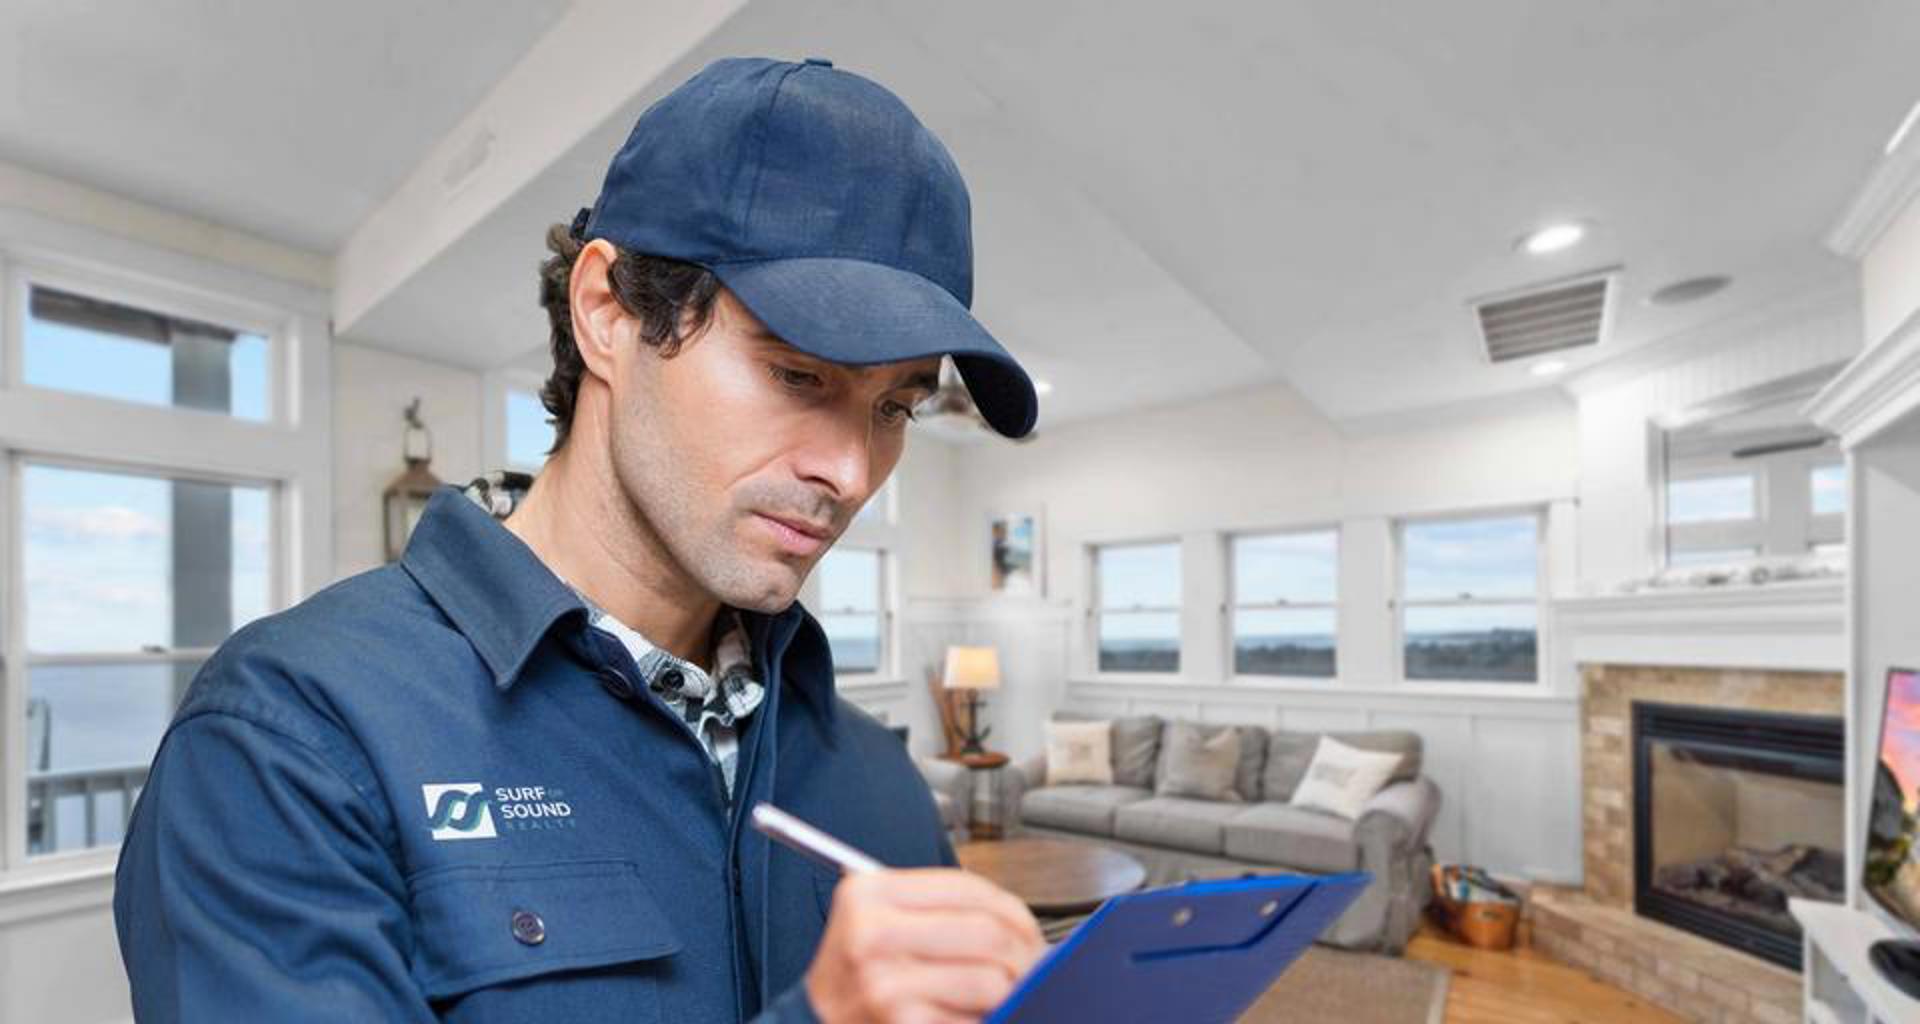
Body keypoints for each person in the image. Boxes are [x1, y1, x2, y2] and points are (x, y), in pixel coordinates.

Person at [113, 56, 1046, 1022]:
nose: (851, 474)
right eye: (798, 378)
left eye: (893, 409)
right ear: (607, 312)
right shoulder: (292, 740)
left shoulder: (871, 773)